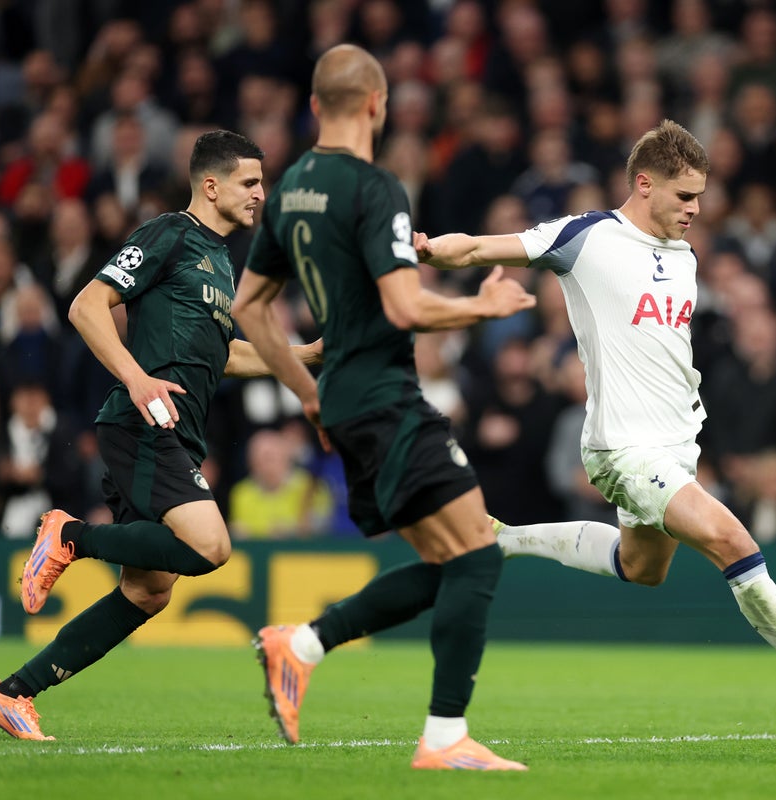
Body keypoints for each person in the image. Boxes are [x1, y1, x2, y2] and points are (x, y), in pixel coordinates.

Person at [414, 119, 776, 734]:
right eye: (684, 196)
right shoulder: (587, 237)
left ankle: (499, 538)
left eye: (700, 198)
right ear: (644, 184)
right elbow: (479, 246)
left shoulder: (683, 255)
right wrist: (427, 249)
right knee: (734, 544)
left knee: (643, 568)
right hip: (624, 448)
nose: (694, 210)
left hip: (676, 446)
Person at [231, 44, 533, 771]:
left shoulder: (293, 184)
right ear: (377, 104)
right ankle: (444, 739)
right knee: (480, 556)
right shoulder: (376, 188)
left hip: (345, 403)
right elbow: (403, 305)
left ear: (314, 107)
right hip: (386, 397)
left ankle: (298, 646)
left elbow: (250, 307)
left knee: (453, 562)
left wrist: (309, 394)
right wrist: (481, 308)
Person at [0, 130, 323, 740]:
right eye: (250, 183)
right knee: (211, 547)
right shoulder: (169, 235)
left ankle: (12, 693)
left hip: (176, 431)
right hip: (142, 422)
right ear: (210, 185)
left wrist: (304, 355)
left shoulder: (219, 259)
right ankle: (71, 536)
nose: (260, 195)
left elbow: (226, 356)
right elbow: (87, 305)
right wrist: (137, 378)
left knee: (148, 591)